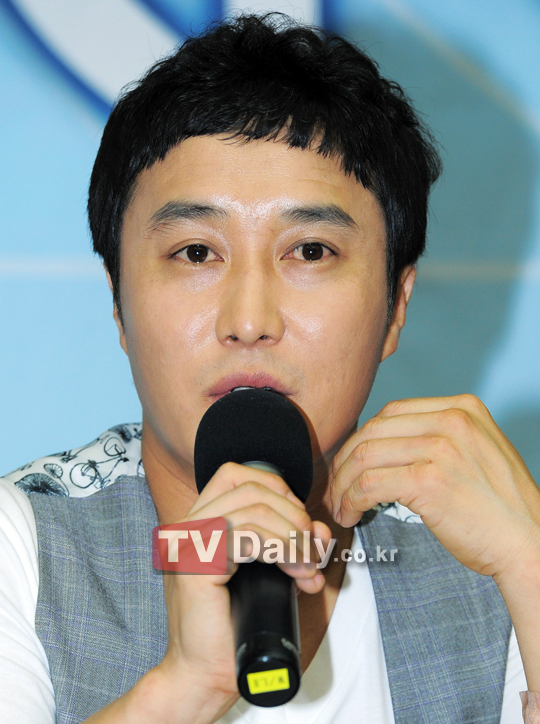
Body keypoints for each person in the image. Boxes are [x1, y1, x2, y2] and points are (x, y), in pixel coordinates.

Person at [1, 13, 539, 724]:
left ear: (396, 307)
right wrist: (186, 688)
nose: (250, 319)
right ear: (119, 304)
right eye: (196, 253)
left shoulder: (483, 555)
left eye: (310, 252)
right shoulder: (25, 550)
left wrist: (531, 568)